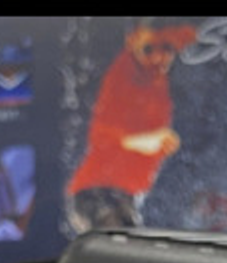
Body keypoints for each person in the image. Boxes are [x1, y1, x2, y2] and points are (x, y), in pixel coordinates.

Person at [66, 20, 197, 233]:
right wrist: (139, 141)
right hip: (99, 192)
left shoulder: (156, 79)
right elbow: (101, 134)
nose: (158, 57)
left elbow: (191, 34)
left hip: (123, 194)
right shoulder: (123, 74)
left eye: (167, 49)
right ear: (132, 42)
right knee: (119, 247)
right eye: (148, 49)